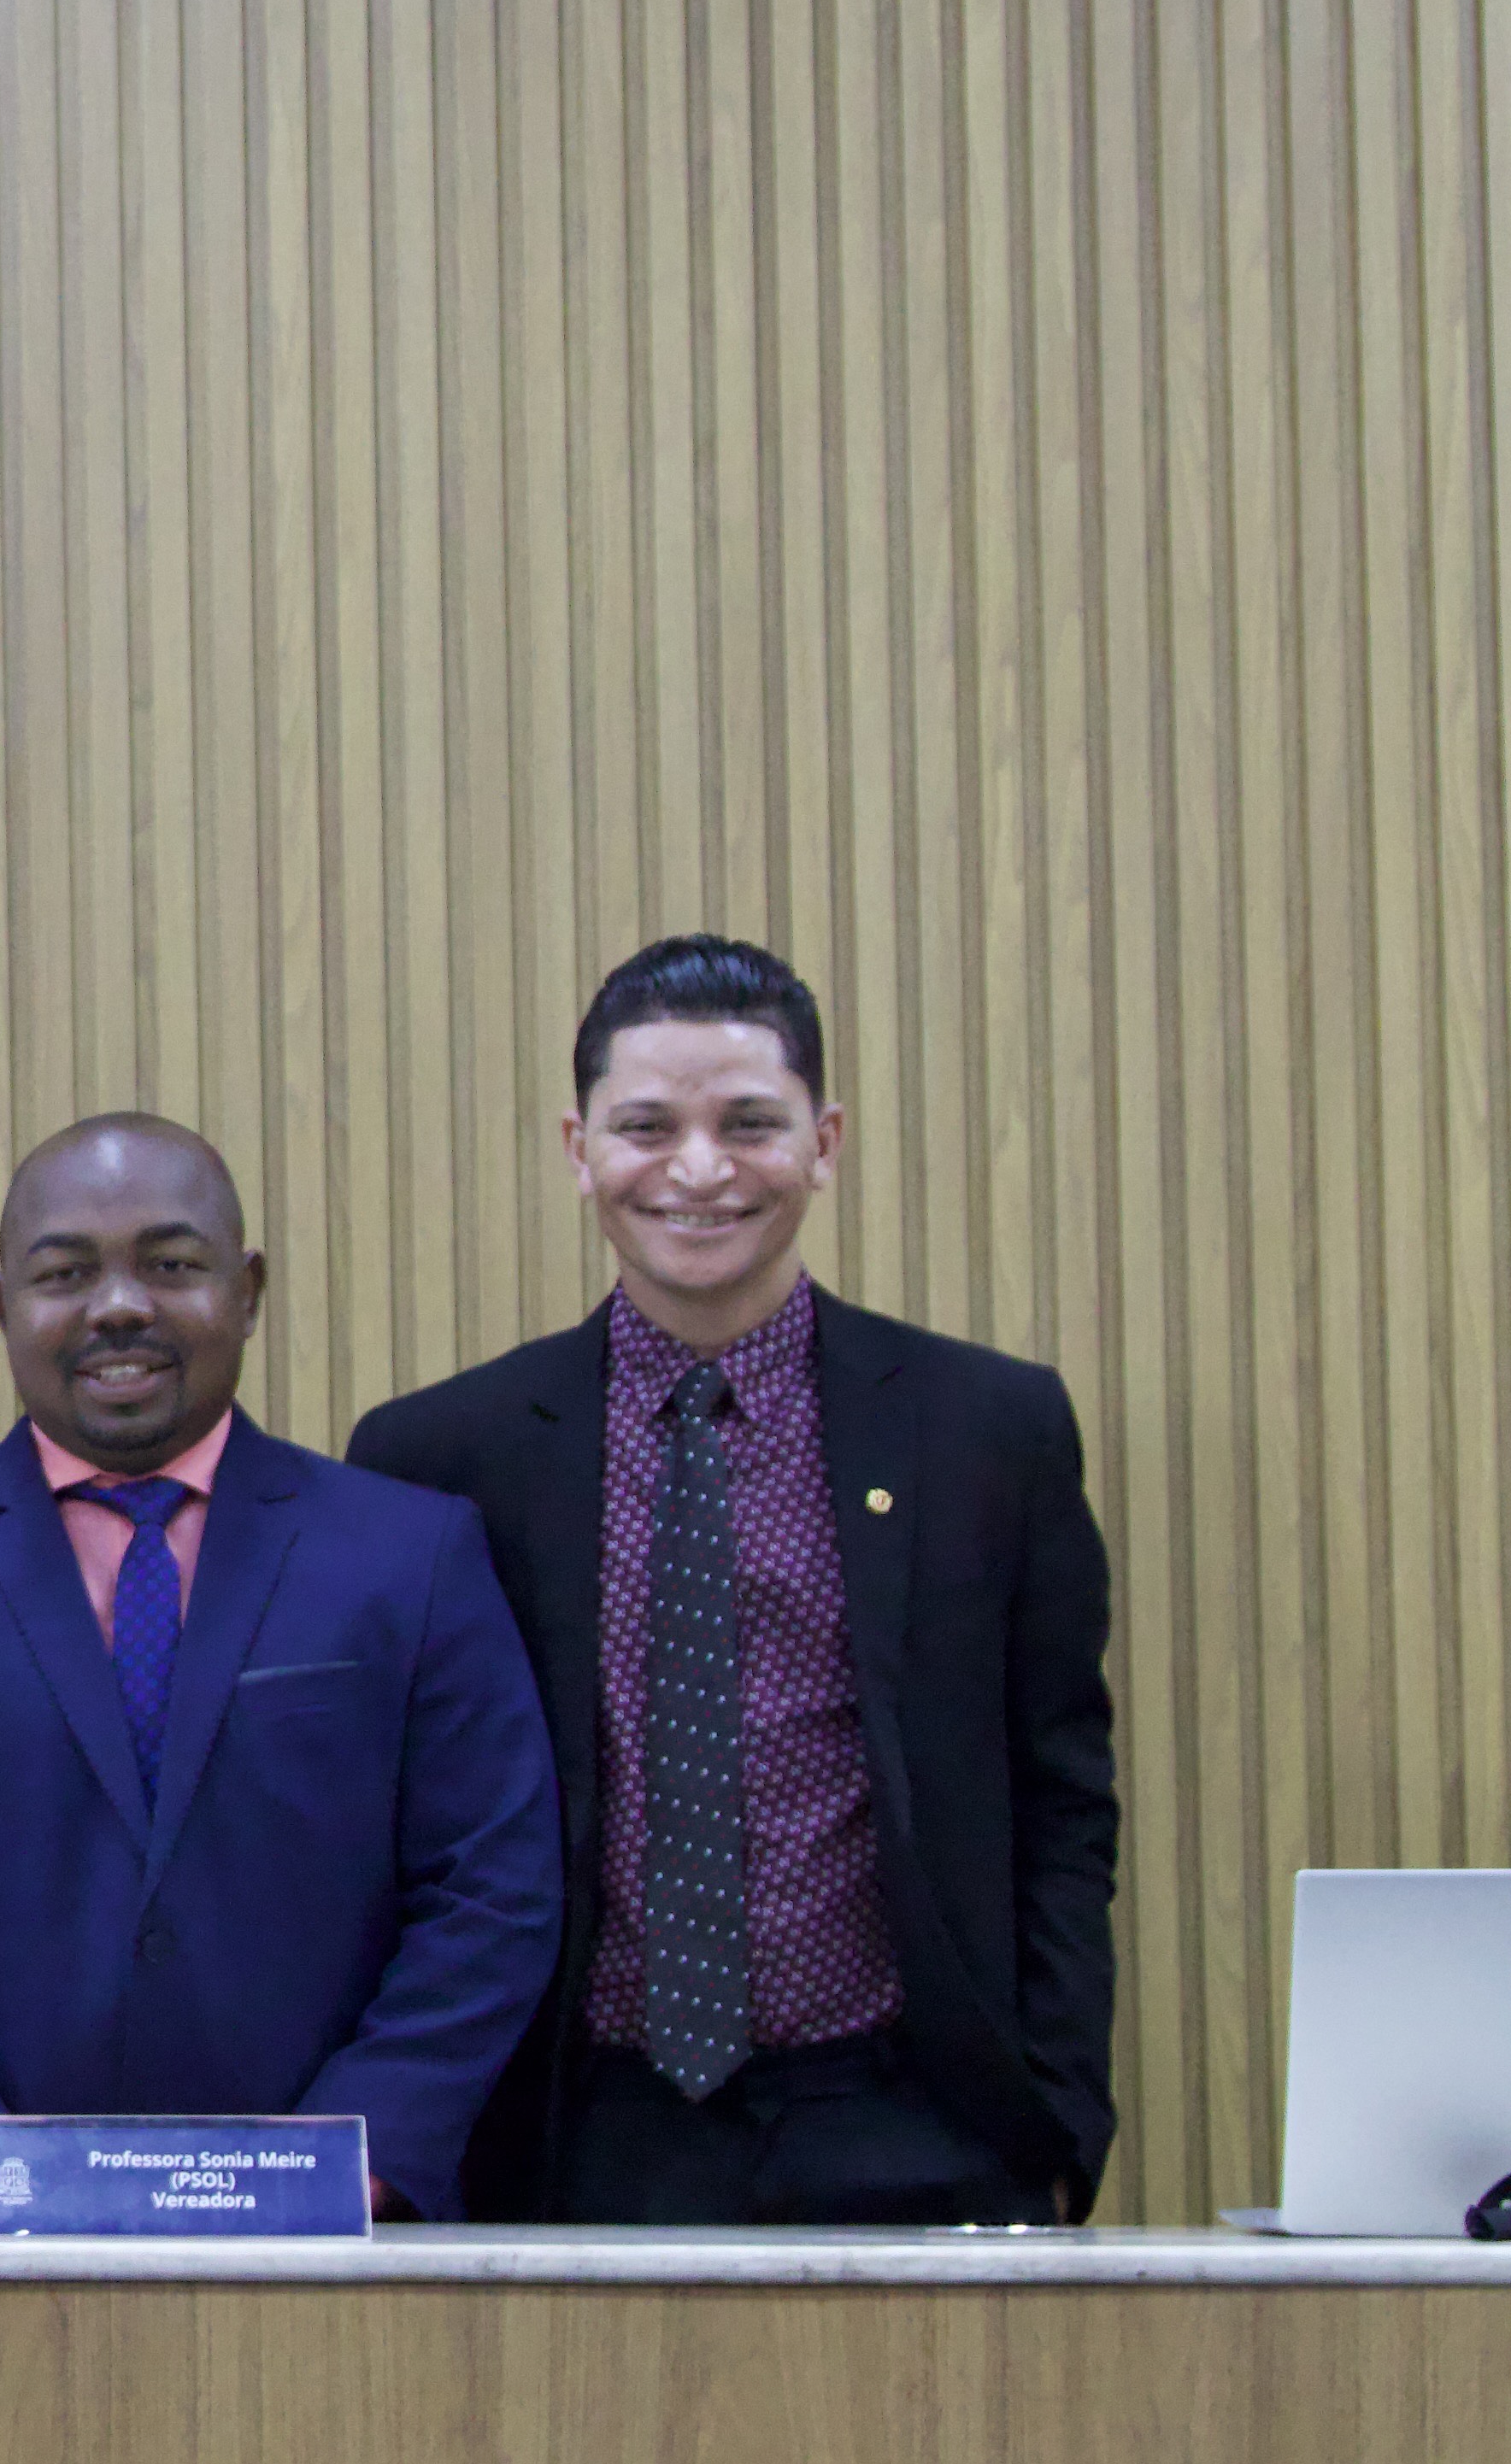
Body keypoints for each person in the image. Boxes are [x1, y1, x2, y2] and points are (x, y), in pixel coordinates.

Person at [348, 936, 1120, 2224]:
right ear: (577, 1147)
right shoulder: (443, 1454)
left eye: (748, 1124)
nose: (698, 1170)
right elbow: (398, 1832)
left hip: (913, 2121)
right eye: (646, 1126)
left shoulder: (986, 1429)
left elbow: (1061, 1798)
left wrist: (1059, 2111)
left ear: (824, 1142)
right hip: (571, 2129)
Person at [0, 1116, 557, 2216]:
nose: (119, 1305)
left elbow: (491, 1887)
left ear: (250, 1290)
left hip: (343, 2247)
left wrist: (361, 2151)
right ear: (1, 1306)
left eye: (171, 1266)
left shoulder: (411, 1555)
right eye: (64, 1272)